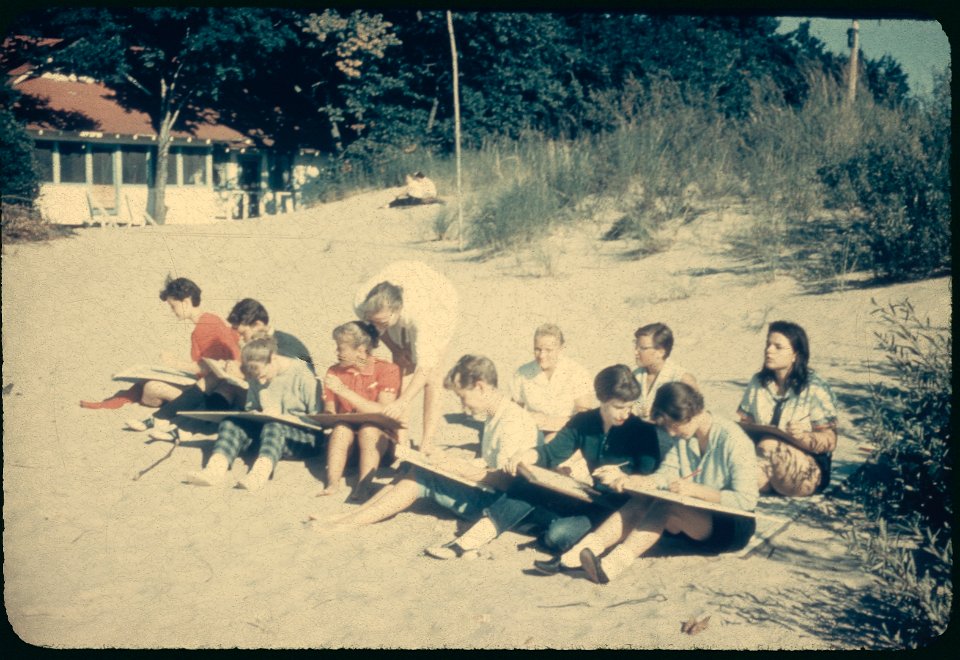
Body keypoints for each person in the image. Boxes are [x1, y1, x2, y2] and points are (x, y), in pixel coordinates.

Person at [555, 382, 758, 584]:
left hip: (731, 524)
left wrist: (697, 490)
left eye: (674, 426)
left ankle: (610, 568)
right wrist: (640, 482)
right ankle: (578, 554)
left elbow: (746, 502)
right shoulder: (686, 434)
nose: (671, 433)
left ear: (693, 413)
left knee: (666, 507)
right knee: (641, 501)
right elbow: (667, 473)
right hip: (696, 514)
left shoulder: (733, 440)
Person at [317, 355, 541, 538]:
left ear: (480, 387)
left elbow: (504, 480)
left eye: (463, 397)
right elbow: (490, 462)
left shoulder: (510, 421)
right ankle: (354, 516)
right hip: (493, 490)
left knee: (422, 478)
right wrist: (448, 461)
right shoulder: (496, 415)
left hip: (499, 503)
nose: (463, 407)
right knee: (413, 468)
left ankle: (350, 522)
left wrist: (452, 466)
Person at [473, 364, 660, 570]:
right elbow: (550, 454)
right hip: (594, 499)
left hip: (623, 510)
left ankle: (549, 533)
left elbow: (650, 482)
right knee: (529, 482)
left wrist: (622, 477)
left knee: (559, 535)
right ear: (602, 400)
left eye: (630, 407)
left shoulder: (642, 432)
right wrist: (524, 456)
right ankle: (481, 532)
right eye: (619, 407)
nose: (625, 414)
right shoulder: (584, 421)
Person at [185, 336, 320, 491]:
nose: (260, 383)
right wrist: (257, 412)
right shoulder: (256, 375)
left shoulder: (303, 375)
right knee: (231, 422)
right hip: (266, 435)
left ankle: (259, 475)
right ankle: (215, 468)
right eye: (256, 379)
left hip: (303, 440)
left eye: (262, 376)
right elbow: (251, 408)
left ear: (273, 358)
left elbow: (317, 420)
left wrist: (285, 417)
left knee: (274, 426)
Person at [353, 260, 458, 454]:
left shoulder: (421, 316)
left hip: (438, 298)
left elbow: (425, 368)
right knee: (400, 366)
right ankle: (401, 440)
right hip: (406, 276)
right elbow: (375, 326)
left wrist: (401, 402)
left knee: (433, 375)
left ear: (396, 312)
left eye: (382, 321)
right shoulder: (361, 300)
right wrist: (396, 349)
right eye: (372, 321)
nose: (376, 326)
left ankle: (427, 443)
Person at [125, 276, 241, 436]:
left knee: (153, 388)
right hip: (215, 385)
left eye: (173, 306)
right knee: (151, 387)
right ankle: (164, 418)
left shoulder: (204, 327)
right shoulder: (209, 320)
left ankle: (161, 418)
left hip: (220, 388)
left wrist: (174, 363)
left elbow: (209, 367)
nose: (172, 311)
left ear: (185, 302)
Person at [738, 321, 839, 497]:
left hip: (808, 470)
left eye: (778, 347)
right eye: (768, 345)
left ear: (795, 355)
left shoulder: (815, 387)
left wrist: (804, 437)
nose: (769, 351)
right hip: (765, 461)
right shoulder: (757, 382)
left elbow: (830, 441)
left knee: (768, 444)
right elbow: (746, 427)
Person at [318, 321, 402, 503]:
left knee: (369, 428)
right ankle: (332, 483)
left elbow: (383, 411)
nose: (337, 353)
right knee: (341, 427)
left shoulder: (386, 370)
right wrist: (327, 416)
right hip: (346, 446)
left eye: (342, 349)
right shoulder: (335, 371)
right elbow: (330, 409)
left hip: (380, 447)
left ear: (360, 350)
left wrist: (344, 392)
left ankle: (363, 486)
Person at [509, 323, 595, 442]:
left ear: (561, 348)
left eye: (548, 350)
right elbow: (513, 410)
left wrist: (551, 422)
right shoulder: (522, 373)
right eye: (537, 349)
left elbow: (585, 417)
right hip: (531, 431)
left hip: (568, 431)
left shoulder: (577, 373)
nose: (542, 355)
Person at [631, 323, 698, 423]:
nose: (636, 352)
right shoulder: (633, 375)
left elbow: (694, 419)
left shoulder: (682, 379)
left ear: (660, 352)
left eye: (643, 348)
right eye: (636, 347)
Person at [227, 298, 315, 373]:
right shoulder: (259, 344)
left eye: (243, 333)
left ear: (257, 325)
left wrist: (243, 375)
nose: (240, 339)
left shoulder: (287, 344)